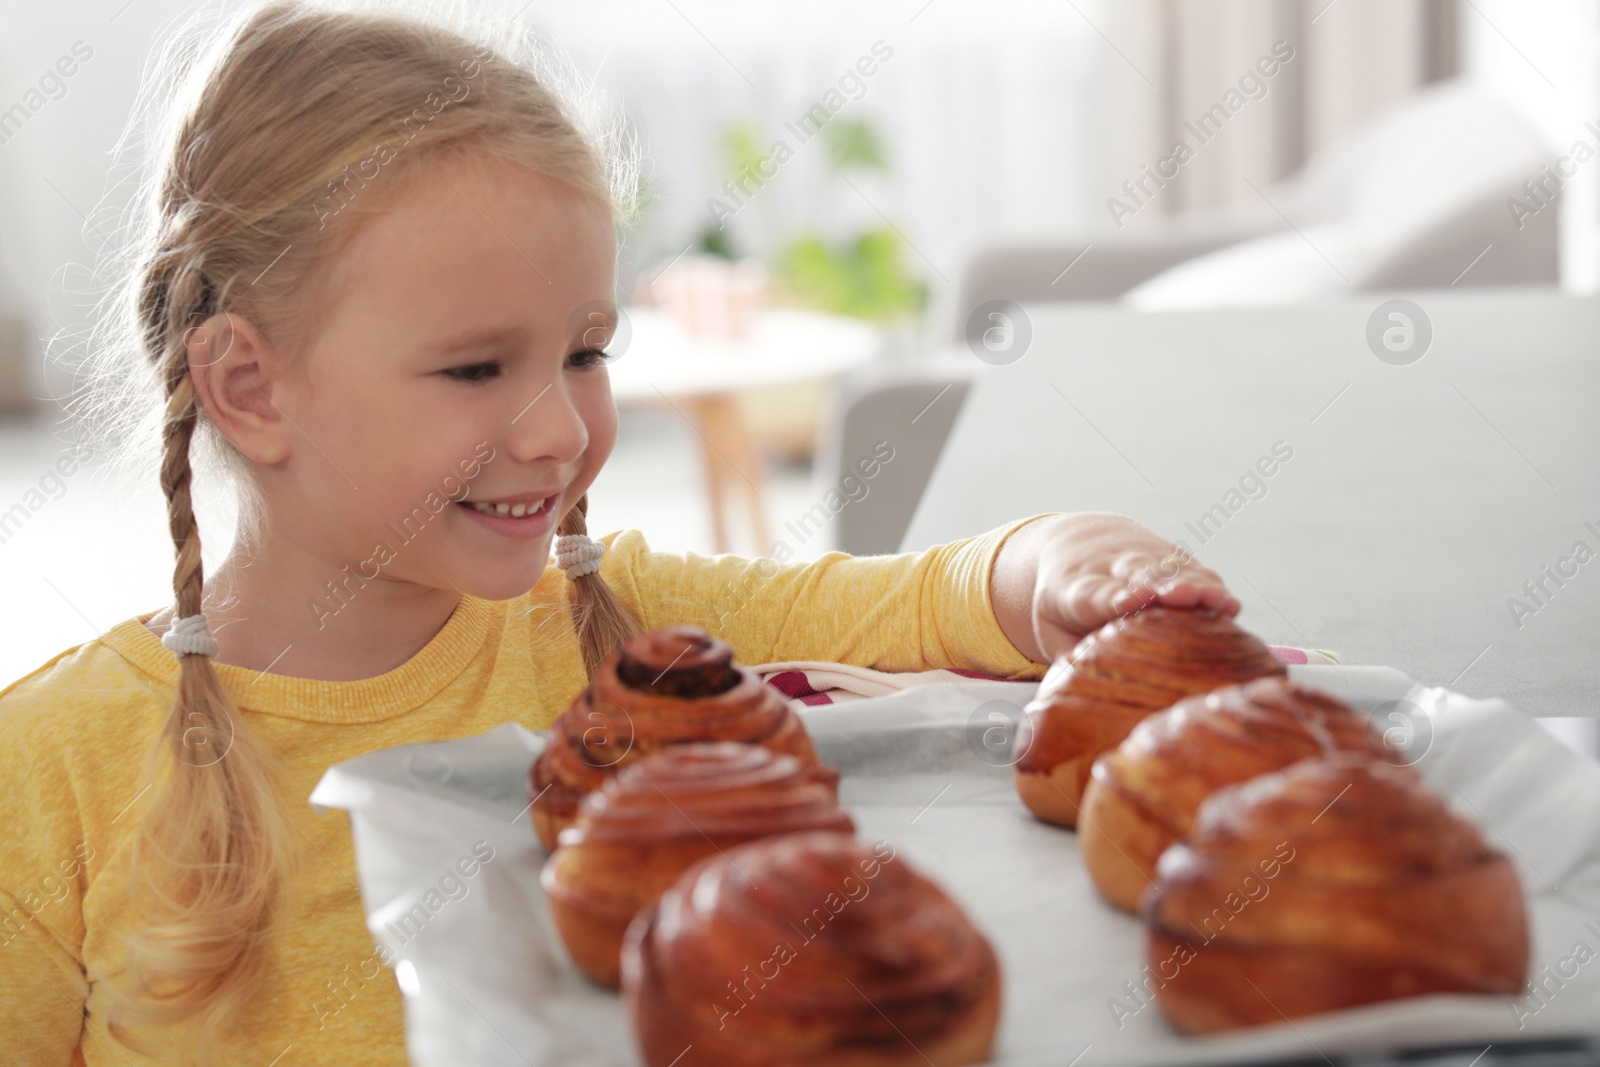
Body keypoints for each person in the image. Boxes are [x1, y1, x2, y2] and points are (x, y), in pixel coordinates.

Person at [0, 3, 1239, 1063]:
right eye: (478, 366)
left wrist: (1062, 563)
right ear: (250, 387)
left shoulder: (639, 643)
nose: (557, 431)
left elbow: (922, 599)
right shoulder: (47, 774)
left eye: (583, 352)